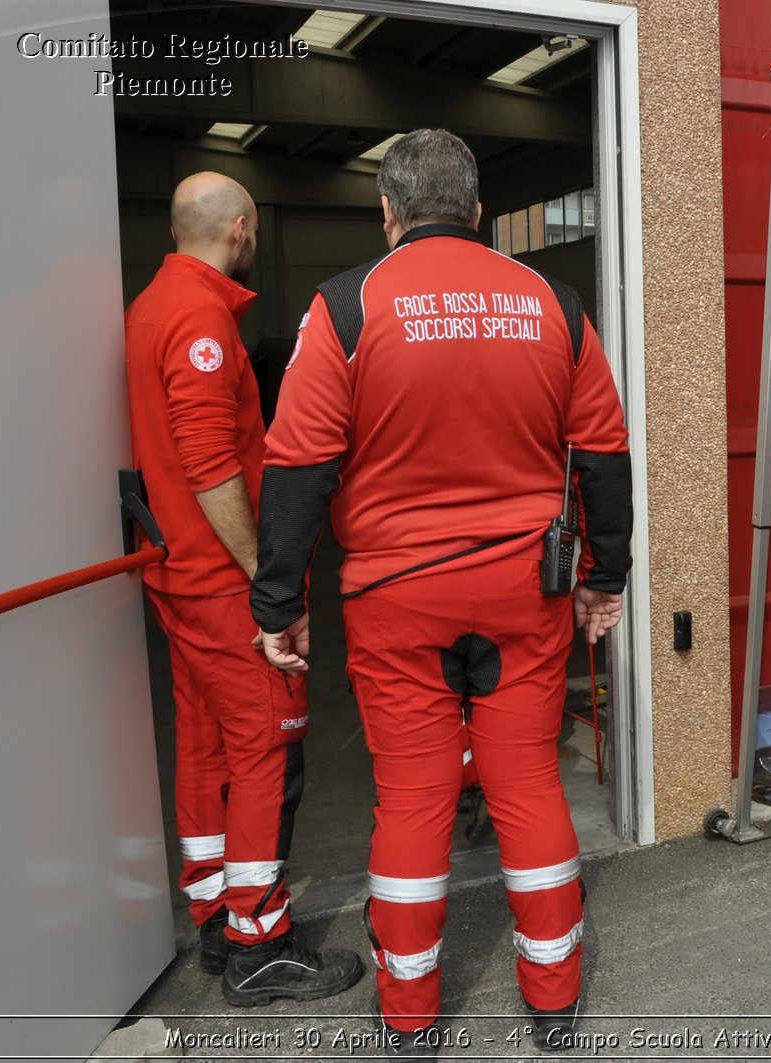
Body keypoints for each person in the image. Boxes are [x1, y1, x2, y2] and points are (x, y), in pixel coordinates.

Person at [250, 129, 631, 1059]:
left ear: (388, 214)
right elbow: (604, 454)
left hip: (396, 598)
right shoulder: (555, 301)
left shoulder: (346, 305)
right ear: (481, 213)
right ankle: (552, 995)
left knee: (414, 796)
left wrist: (279, 601)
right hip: (524, 593)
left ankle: (410, 1014)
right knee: (531, 781)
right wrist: (604, 576)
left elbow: (297, 464)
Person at [123, 172, 362, 1005]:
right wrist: (270, 580)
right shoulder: (199, 321)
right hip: (222, 580)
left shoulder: (153, 304)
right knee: (264, 746)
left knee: (206, 745)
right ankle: (262, 939)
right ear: (242, 229)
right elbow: (209, 464)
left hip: (178, 578)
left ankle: (217, 916)